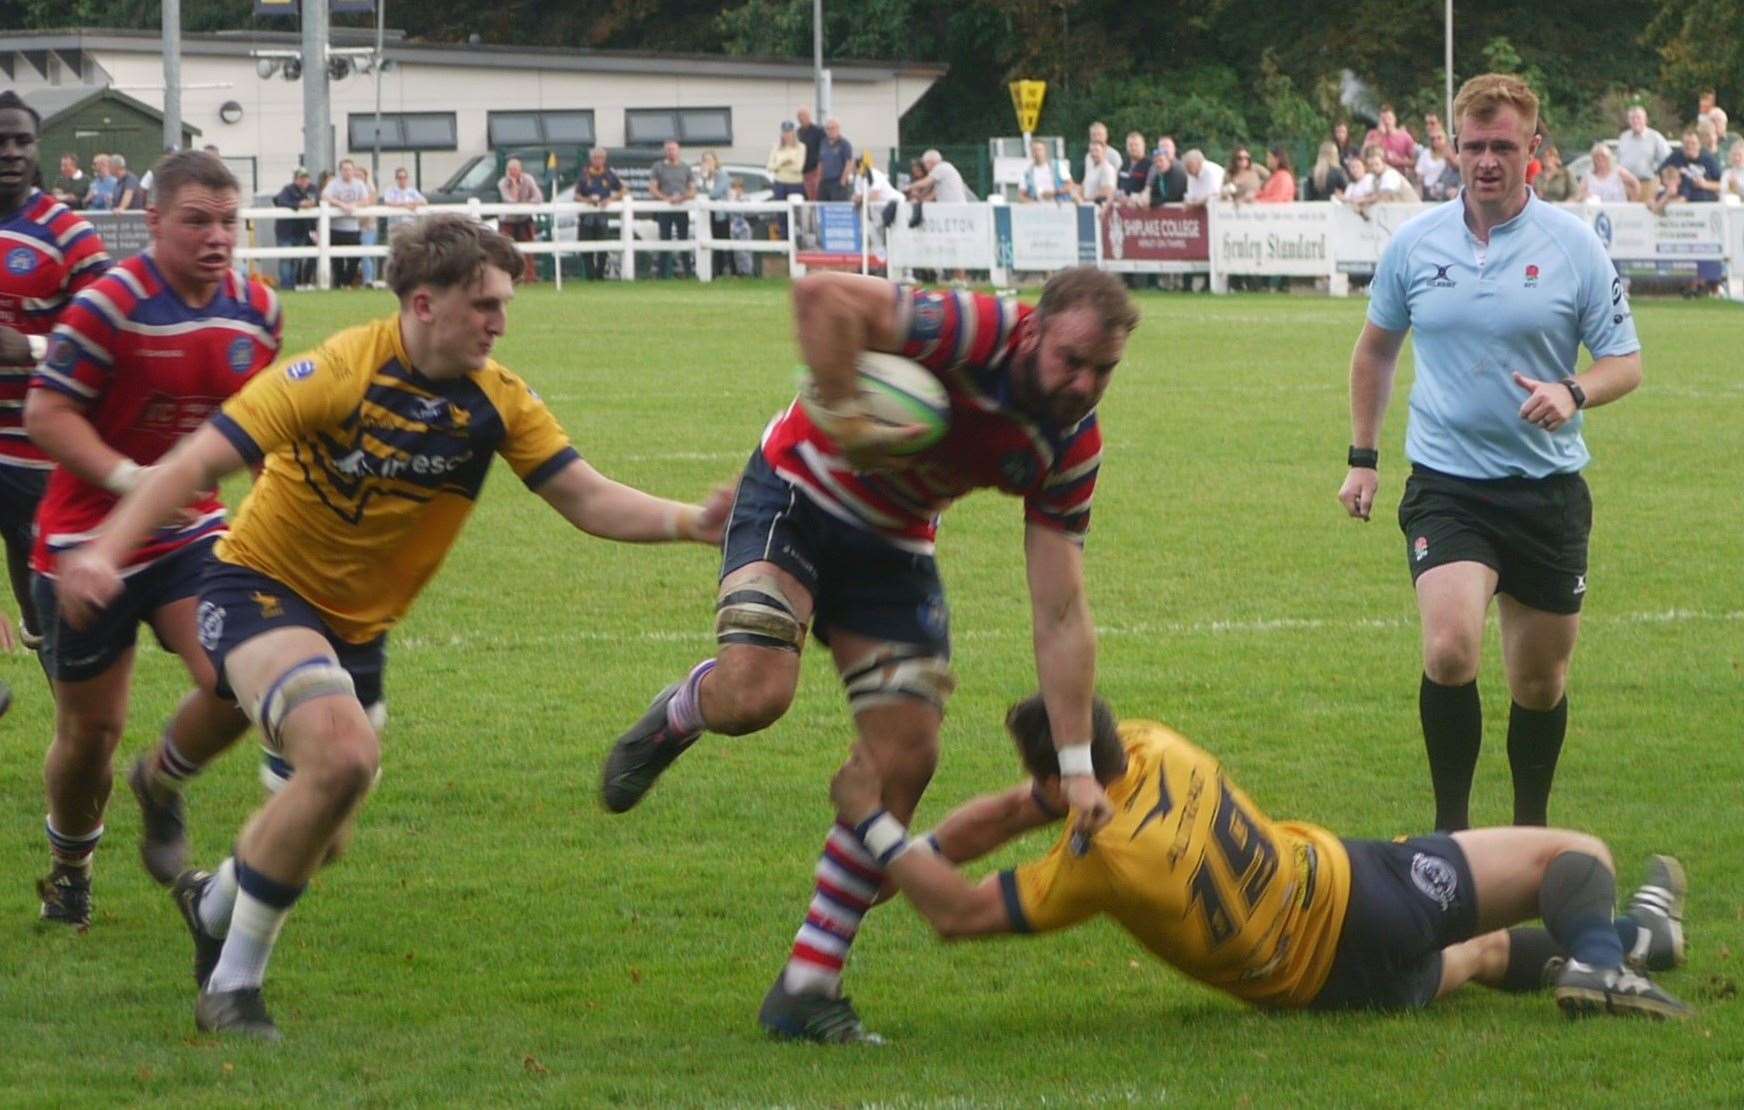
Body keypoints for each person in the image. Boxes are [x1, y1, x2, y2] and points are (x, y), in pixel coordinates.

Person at [54, 213, 731, 1039]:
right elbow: (198, 462)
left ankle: (215, 900)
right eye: (483, 304)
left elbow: (584, 496)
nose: (499, 322)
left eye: (504, 303)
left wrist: (691, 522)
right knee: (342, 756)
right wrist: (106, 551)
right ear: (422, 302)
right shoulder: (337, 369)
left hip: (358, 634)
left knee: (321, 833)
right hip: (257, 588)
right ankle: (231, 989)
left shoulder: (497, 402)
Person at [600, 268, 1139, 1043]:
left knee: (907, 759)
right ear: (1032, 331)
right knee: (754, 695)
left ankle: (807, 989)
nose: (1085, 383)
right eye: (1072, 360)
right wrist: (847, 413)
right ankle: (682, 712)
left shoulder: (1070, 447)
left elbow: (1060, 609)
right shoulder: (969, 328)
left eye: (1104, 370)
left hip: (892, 542)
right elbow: (819, 297)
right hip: (795, 492)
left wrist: (1080, 763)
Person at [828, 694, 1691, 1021]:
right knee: (1568, 858)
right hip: (1361, 887)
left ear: (1057, 778)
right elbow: (1025, 805)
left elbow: (960, 911)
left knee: (1486, 952)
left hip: (1332, 988)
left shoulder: (1102, 861)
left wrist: (876, 831)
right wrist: (926, 851)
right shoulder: (1153, 743)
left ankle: (1618, 955)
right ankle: (1620, 950)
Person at [1337, 73, 1642, 834]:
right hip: (1449, 487)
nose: (1486, 161)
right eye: (1473, 146)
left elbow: (1625, 362)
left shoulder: (1575, 246)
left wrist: (1573, 391)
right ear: (1453, 148)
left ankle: (1530, 836)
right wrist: (1364, 456)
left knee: (1538, 683)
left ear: (1534, 148)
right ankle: (1451, 839)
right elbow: (1375, 351)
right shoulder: (1416, 243)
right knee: (1448, 651)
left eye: (1503, 146)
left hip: (1546, 491)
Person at [26, 150, 282, 928]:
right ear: (154, 223)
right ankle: (71, 869)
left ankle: (161, 779)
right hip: (83, 543)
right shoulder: (111, 305)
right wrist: (134, 482)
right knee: (88, 735)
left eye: (229, 223)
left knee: (242, 681)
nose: (217, 238)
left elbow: (269, 421)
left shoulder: (257, 310)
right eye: (197, 221)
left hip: (191, 536)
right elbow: (47, 415)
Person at [0, 93, 111, 690]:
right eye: (1, 141)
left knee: (34, 565)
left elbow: (104, 332)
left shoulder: (68, 232)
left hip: (32, 440)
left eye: (22, 141)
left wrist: (32, 348)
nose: (11, 153)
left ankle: (57, 675)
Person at [573, 147, 626, 281]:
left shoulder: (609, 174)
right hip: (586, 217)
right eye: (595, 158)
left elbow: (623, 190)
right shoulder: (584, 174)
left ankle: (600, 275)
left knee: (603, 247)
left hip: (602, 216)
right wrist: (587, 200)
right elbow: (576, 195)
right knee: (586, 248)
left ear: (604, 159)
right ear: (591, 159)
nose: (598, 160)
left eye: (601, 158)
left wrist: (610, 199)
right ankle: (590, 277)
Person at [648, 140, 695, 280]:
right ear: (665, 151)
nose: (671, 152)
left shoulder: (686, 168)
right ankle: (662, 274)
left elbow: (692, 189)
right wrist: (666, 199)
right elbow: (652, 188)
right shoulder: (658, 167)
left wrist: (682, 198)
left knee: (684, 239)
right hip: (664, 209)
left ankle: (688, 273)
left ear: (678, 150)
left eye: (673, 149)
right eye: (668, 149)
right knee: (665, 239)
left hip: (682, 208)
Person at [322, 160, 370, 289]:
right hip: (336, 228)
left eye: (349, 169)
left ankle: (347, 282)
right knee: (336, 260)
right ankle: (339, 285)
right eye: (344, 169)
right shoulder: (334, 184)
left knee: (355, 257)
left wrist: (354, 205)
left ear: (353, 171)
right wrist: (341, 204)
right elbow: (324, 197)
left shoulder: (359, 184)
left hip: (352, 228)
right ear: (340, 171)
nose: (347, 172)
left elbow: (366, 200)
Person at [495, 157, 543, 285]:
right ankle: (509, 278)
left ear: (520, 169)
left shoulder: (528, 179)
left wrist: (526, 204)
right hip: (508, 220)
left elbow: (538, 197)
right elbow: (510, 201)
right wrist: (514, 185)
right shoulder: (502, 183)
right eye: (510, 169)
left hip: (524, 218)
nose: (512, 172)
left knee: (528, 249)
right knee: (506, 250)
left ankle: (530, 278)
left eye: (515, 169)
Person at [271, 167, 317, 291]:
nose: (304, 181)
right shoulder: (288, 189)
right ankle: (286, 287)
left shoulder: (313, 189)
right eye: (301, 178)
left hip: (301, 231)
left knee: (296, 260)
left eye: (306, 178)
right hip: (285, 231)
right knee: (286, 259)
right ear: (295, 179)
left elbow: (318, 201)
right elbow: (280, 201)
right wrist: (299, 204)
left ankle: (293, 287)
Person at [698, 151, 734, 277]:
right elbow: (699, 193)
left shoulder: (722, 175)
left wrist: (706, 185)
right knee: (709, 241)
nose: (707, 163)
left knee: (724, 241)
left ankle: (732, 271)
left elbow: (715, 194)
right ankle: (713, 272)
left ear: (715, 161)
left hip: (720, 214)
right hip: (706, 215)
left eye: (709, 160)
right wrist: (703, 178)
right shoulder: (702, 177)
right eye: (704, 160)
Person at [1616, 106, 1671, 184]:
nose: (1635, 121)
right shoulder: (1623, 137)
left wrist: (1657, 172)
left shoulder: (1655, 137)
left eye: (1638, 118)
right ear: (1628, 121)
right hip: (1625, 184)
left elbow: (1667, 159)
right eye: (1632, 118)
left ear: (1645, 120)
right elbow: (1618, 161)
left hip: (1647, 184)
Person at [1365, 104, 1418, 177]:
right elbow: (1363, 156)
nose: (1387, 122)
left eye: (1389, 118)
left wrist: (1400, 161)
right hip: (1377, 177)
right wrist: (1380, 136)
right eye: (1383, 119)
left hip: (1397, 177)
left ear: (1395, 119)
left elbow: (1415, 162)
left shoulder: (1405, 137)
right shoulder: (1372, 134)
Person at [1018, 139, 1071, 204]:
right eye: (1034, 150)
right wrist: (1032, 203)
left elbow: (1071, 186)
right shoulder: (1027, 173)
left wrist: (1054, 192)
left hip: (1059, 206)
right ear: (1031, 153)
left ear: (1045, 151)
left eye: (1040, 150)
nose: (1037, 153)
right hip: (1037, 208)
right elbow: (1021, 196)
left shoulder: (1058, 165)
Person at [767, 120, 806, 203]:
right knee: (780, 212)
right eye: (785, 132)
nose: (787, 135)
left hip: (795, 184)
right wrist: (783, 162)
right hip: (779, 183)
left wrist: (778, 167)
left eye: (789, 132)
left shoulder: (801, 147)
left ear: (794, 133)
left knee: (795, 212)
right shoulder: (776, 147)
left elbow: (798, 168)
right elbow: (770, 167)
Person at [817, 118, 855, 203]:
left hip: (838, 182)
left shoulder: (844, 144)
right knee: (822, 207)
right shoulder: (823, 143)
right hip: (825, 182)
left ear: (838, 129)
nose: (830, 131)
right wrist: (819, 179)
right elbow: (820, 162)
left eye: (833, 128)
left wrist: (843, 180)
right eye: (828, 128)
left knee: (837, 208)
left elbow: (849, 163)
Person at [796, 107, 825, 201]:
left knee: (814, 197)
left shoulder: (818, 131)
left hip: (814, 171)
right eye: (799, 117)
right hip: (801, 172)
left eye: (803, 116)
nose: (801, 119)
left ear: (809, 117)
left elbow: (823, 150)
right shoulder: (798, 132)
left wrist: (820, 169)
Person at [1080, 140, 1119, 205]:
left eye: (1096, 150)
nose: (1093, 154)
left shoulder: (1107, 169)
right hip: (1088, 207)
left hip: (1101, 208)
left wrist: (1087, 200)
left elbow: (1107, 191)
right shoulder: (1091, 170)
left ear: (1104, 151)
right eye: (1091, 151)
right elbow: (1083, 188)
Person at [1116, 132, 1150, 200]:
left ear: (1143, 145)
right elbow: (1118, 185)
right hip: (1123, 206)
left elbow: (1151, 189)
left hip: (1140, 207)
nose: (1133, 148)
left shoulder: (1150, 165)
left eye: (1136, 145)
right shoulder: (1124, 164)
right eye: (1130, 145)